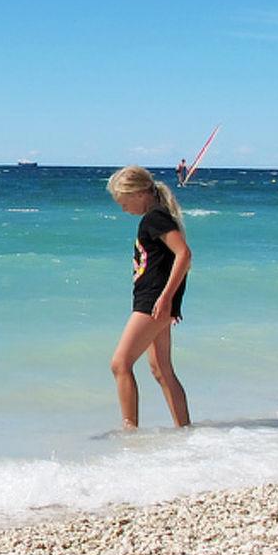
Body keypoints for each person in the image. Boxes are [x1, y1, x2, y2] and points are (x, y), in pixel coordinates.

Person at [106, 165, 192, 430]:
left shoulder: (155, 218)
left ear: (140, 193)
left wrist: (166, 299)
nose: (123, 208)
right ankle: (185, 431)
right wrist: (171, 303)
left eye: (124, 201)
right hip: (156, 302)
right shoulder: (156, 217)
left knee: (120, 364)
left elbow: (184, 255)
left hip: (152, 302)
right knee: (161, 370)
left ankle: (129, 430)